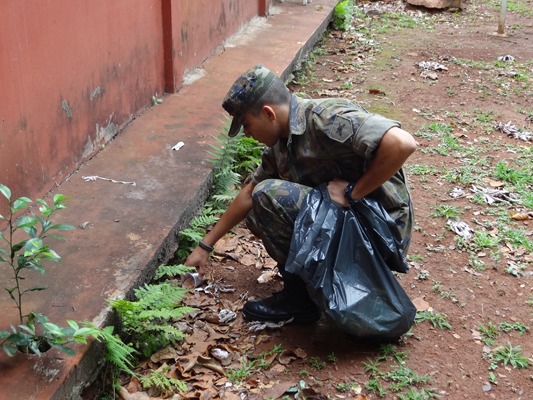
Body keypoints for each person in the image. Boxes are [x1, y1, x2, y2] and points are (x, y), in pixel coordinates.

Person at [184, 64, 416, 324]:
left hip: (382, 231)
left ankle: (331, 289)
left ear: (268, 113)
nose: (248, 134)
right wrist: (205, 246)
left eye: (247, 125)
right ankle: (305, 297)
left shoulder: (326, 118)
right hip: (348, 224)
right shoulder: (280, 145)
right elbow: (248, 193)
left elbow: (402, 143)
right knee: (259, 208)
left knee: (269, 195)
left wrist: (353, 192)